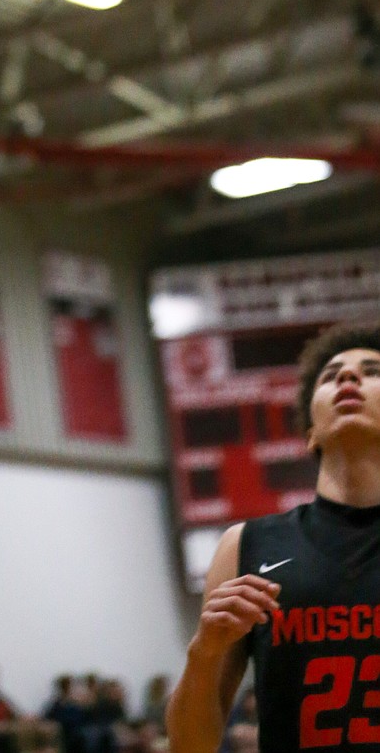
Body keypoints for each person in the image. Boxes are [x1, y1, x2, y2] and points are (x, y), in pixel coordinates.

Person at [168, 321, 380, 753]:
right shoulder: (246, 545)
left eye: (372, 370)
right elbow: (189, 746)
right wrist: (202, 654)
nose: (347, 377)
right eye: (330, 375)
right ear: (310, 434)